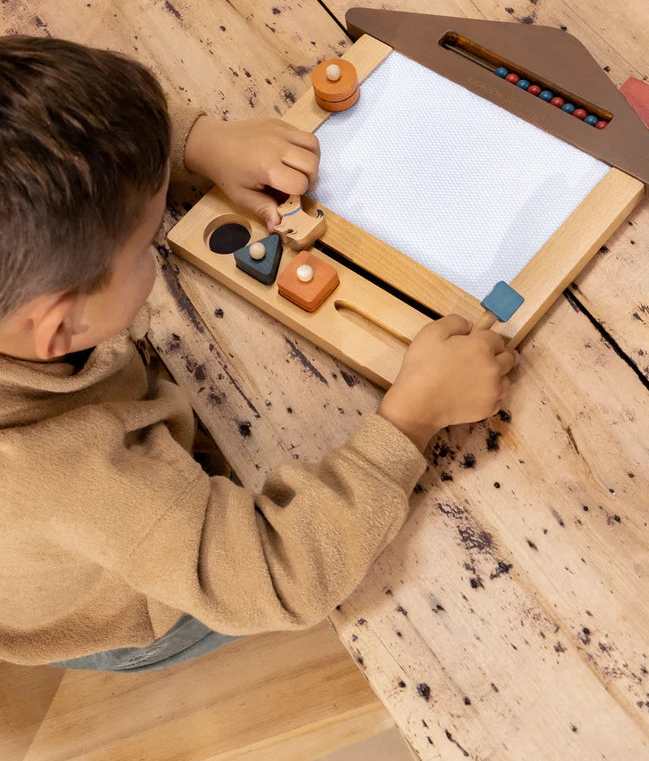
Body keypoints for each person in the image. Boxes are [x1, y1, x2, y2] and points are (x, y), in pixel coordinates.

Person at [0, 35, 518, 672]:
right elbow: (281, 576)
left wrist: (193, 143)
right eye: (147, 242)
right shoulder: (78, 483)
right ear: (59, 328)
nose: (159, 242)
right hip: (119, 613)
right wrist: (411, 418)